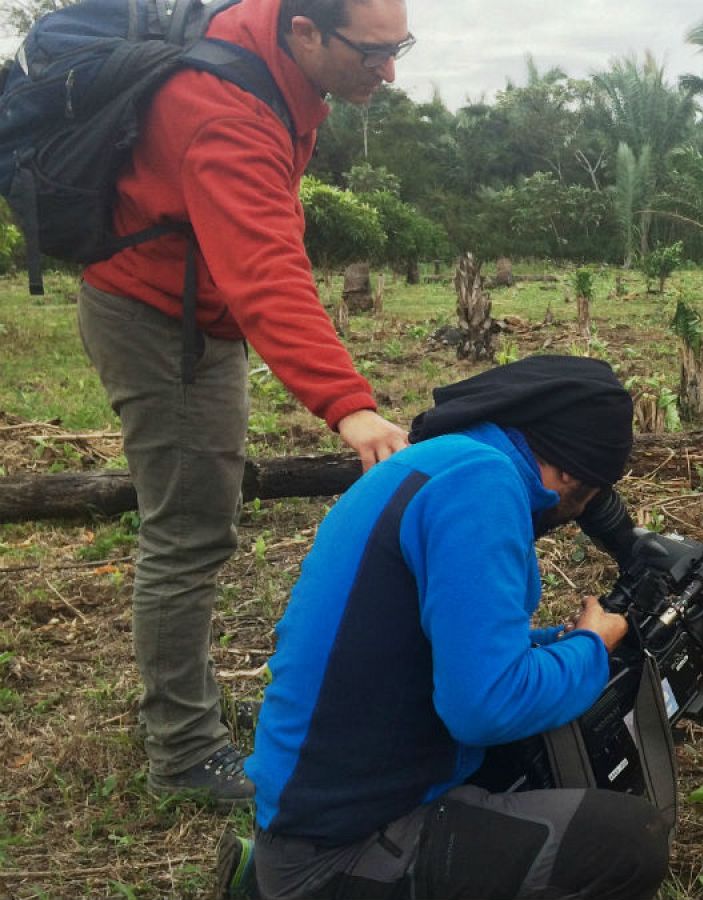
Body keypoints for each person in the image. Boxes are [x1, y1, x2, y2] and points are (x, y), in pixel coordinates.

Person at [75, 0, 414, 805]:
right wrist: (349, 405)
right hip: (159, 317)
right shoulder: (226, 116)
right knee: (188, 530)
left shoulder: (272, 49)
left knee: (199, 513)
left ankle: (180, 710)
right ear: (304, 31)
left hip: (192, 302)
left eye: (399, 47)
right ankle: (184, 752)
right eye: (372, 53)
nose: (389, 72)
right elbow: (267, 272)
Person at [212, 355, 671, 900]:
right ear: (569, 470)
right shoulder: (485, 487)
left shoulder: (444, 463)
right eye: (591, 493)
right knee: (624, 843)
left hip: (308, 815)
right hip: (333, 851)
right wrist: (592, 648)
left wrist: (555, 646)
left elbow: (436, 649)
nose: (582, 511)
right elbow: (485, 706)